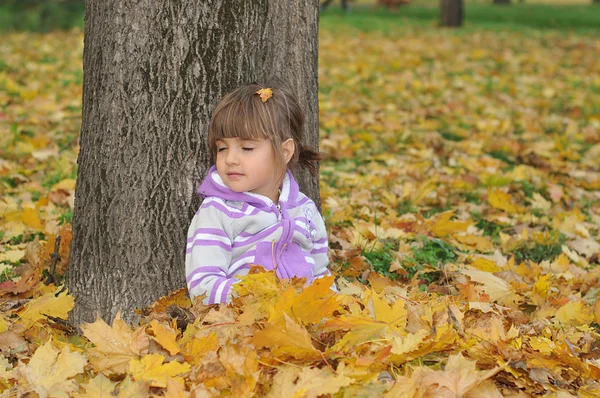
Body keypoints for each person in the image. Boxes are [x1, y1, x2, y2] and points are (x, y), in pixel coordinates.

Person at [185, 83, 330, 304]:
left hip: (301, 324)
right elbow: (203, 286)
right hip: (245, 329)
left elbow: (321, 276)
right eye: (222, 148)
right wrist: (257, 297)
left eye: (247, 148)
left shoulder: (305, 210)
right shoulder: (218, 211)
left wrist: (333, 310)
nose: (231, 158)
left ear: (285, 151)